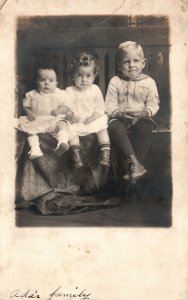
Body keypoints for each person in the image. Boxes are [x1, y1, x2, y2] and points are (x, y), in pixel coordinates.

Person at [105, 41, 160, 183]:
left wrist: (144, 113)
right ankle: (135, 164)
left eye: (136, 60)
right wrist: (119, 114)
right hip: (121, 117)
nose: (132, 65)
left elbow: (154, 103)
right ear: (119, 65)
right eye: (126, 62)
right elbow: (110, 103)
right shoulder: (115, 81)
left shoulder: (149, 82)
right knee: (113, 128)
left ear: (143, 63)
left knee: (146, 128)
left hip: (140, 117)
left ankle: (135, 166)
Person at [16, 66, 77, 160]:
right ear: (36, 82)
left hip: (54, 120)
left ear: (56, 83)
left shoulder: (60, 93)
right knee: (29, 130)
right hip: (37, 120)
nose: (47, 83)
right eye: (42, 80)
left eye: (51, 81)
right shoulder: (31, 94)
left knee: (62, 123)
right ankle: (35, 149)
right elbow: (26, 105)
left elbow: (67, 106)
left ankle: (62, 142)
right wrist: (29, 112)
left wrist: (59, 110)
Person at [65, 51, 110, 168]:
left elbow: (100, 108)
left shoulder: (95, 89)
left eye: (88, 76)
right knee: (70, 128)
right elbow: (65, 107)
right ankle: (75, 154)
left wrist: (93, 117)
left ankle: (105, 153)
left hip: (92, 118)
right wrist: (70, 115)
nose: (84, 79)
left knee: (102, 126)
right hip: (77, 120)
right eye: (79, 75)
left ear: (94, 77)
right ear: (73, 75)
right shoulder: (69, 91)